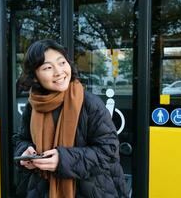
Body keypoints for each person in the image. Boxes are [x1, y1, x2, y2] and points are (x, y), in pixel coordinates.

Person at [12, 39, 128, 198]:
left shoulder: (90, 103)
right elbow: (21, 139)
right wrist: (24, 152)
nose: (58, 72)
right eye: (47, 67)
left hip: (90, 190)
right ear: (35, 76)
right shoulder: (33, 106)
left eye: (62, 63)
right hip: (42, 190)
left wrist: (62, 160)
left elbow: (109, 152)